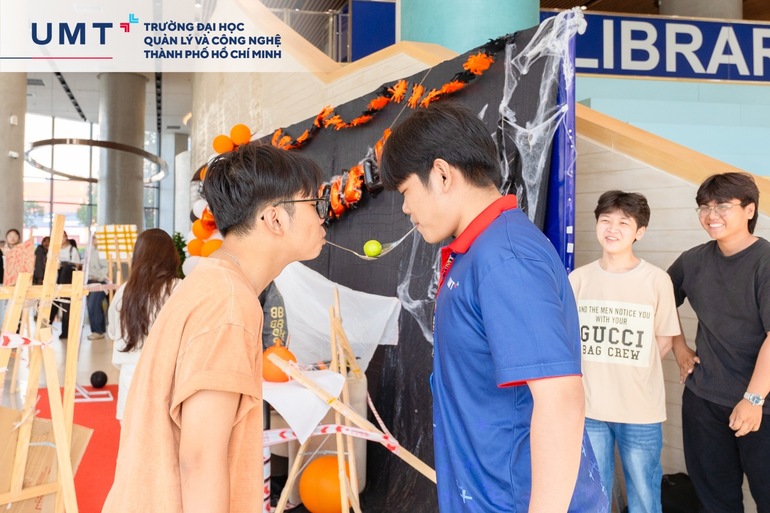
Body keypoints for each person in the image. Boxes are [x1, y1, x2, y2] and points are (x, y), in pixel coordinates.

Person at [379, 102, 607, 512]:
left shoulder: (505, 258)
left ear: (442, 174)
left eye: (406, 191)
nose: (406, 208)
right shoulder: (480, 250)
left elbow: (560, 400)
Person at [102, 142, 328, 513]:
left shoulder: (216, 283)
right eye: (315, 204)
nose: (323, 217)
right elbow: (200, 460)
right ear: (274, 219)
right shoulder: (229, 301)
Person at [569, 191, 680, 513]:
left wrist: (630, 371)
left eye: (623, 222)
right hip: (589, 409)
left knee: (645, 495)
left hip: (641, 410)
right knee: (595, 494)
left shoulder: (657, 280)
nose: (612, 229)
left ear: (639, 232)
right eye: (605, 220)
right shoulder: (578, 279)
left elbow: (663, 340)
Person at [668, 172, 770, 512]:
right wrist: (680, 348)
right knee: (715, 501)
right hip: (704, 400)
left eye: (723, 206)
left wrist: (753, 399)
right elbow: (658, 303)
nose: (711, 215)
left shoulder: (765, 262)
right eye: (705, 207)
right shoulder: (693, 260)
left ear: (750, 210)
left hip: (761, 404)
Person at [108, 229, 180, 420]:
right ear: (171, 255)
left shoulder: (124, 291)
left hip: (130, 380)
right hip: (168, 381)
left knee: (131, 435)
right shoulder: (179, 288)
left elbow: (113, 332)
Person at [49, 230, 82, 339]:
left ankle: (66, 332)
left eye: (62, 236)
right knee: (52, 306)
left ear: (66, 237)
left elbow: (77, 265)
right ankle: (45, 330)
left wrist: (66, 265)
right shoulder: (53, 250)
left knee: (66, 307)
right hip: (55, 281)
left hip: (68, 281)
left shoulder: (72, 250)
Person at [86, 236, 110, 340]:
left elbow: (107, 267)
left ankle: (98, 331)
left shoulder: (103, 251)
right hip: (90, 281)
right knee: (92, 305)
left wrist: (99, 276)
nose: (93, 239)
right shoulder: (90, 250)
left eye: (96, 237)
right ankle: (97, 331)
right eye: (93, 237)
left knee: (93, 305)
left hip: (100, 282)